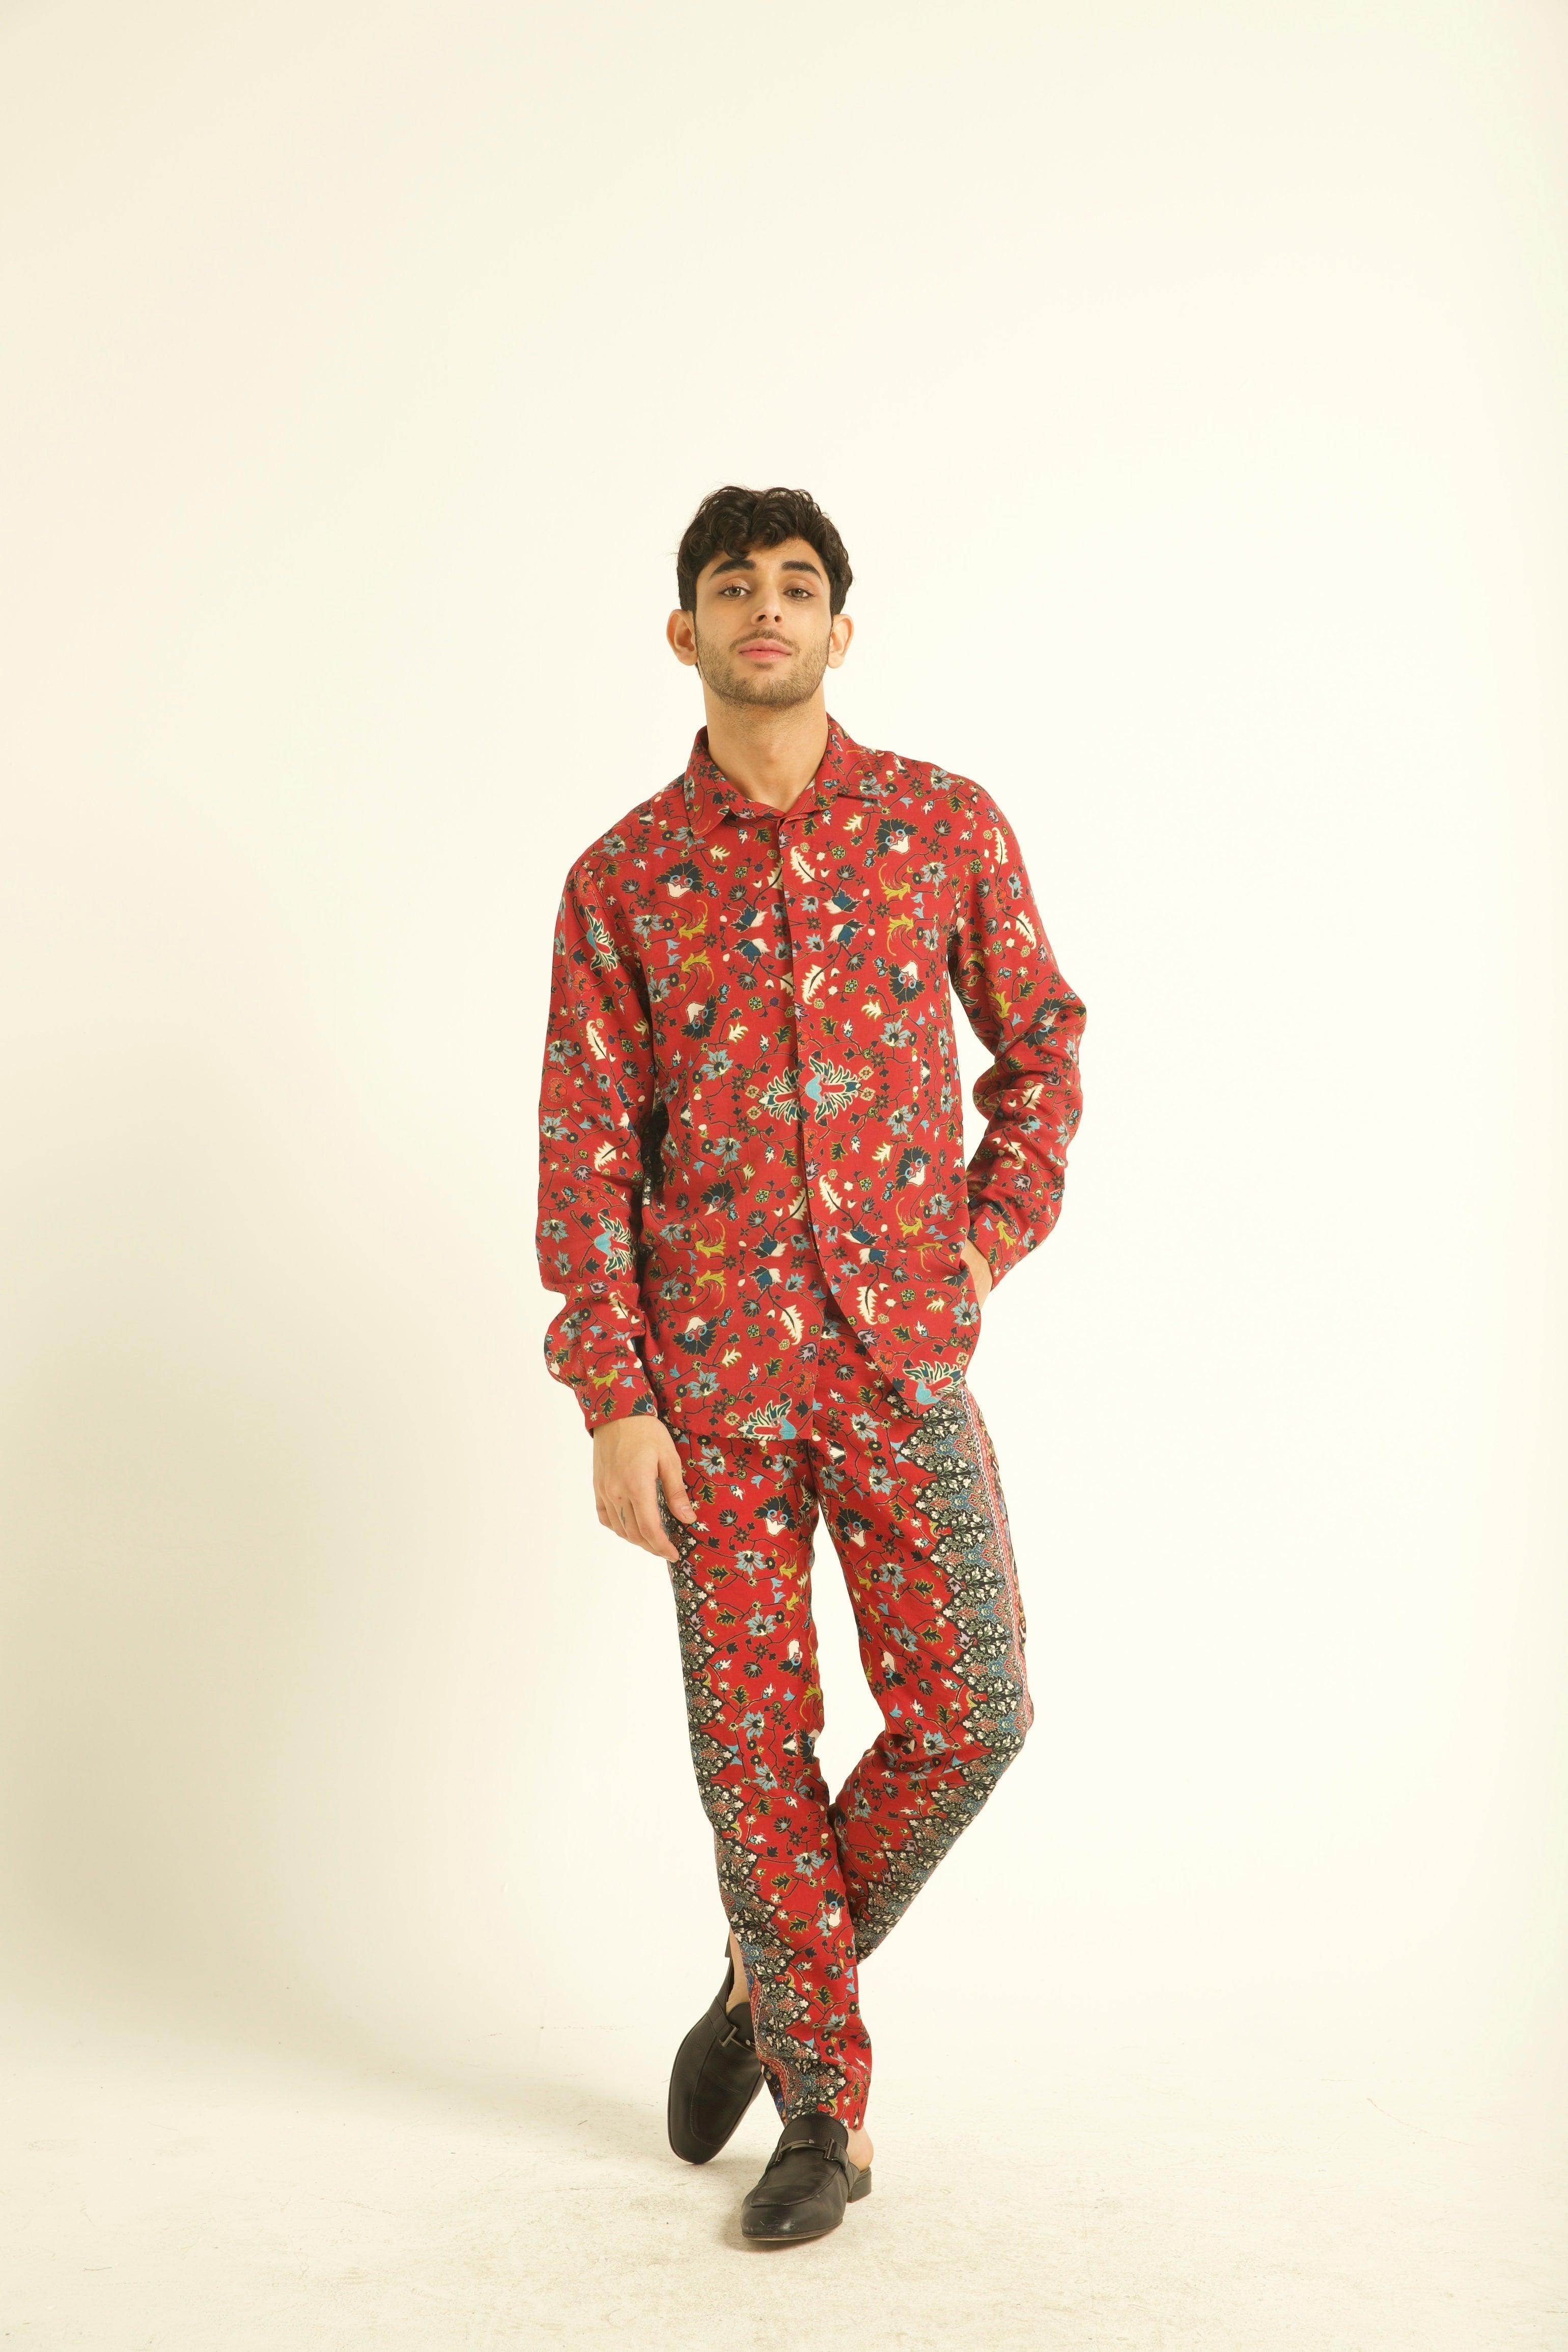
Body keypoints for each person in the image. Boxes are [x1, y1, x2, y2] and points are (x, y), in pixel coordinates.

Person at [536, 485, 1086, 2245]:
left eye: (796, 584)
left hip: (902, 1363)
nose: (764, 608)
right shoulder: (621, 879)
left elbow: (1042, 1048)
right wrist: (615, 1398)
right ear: (683, 631)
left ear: (842, 629)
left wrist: (983, 1241)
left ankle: (761, 1984)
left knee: (975, 1711)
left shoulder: (942, 827)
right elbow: (585, 1155)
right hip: (709, 1397)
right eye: (731, 585)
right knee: (752, 1747)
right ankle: (821, 2116)